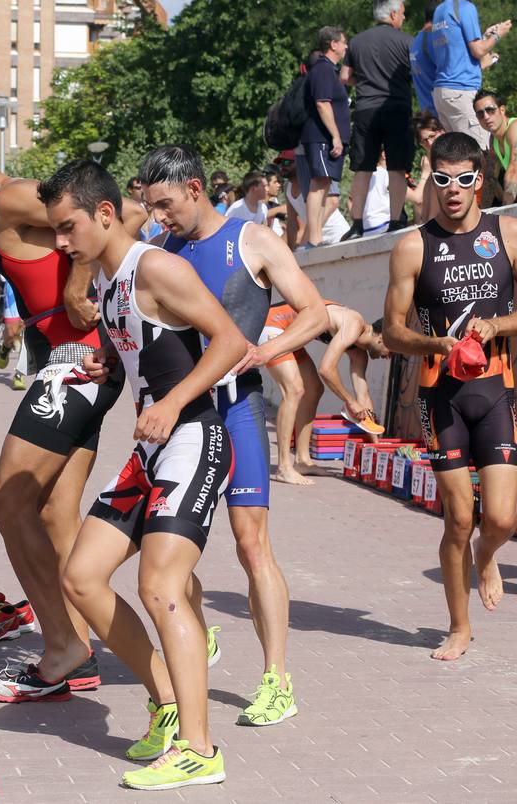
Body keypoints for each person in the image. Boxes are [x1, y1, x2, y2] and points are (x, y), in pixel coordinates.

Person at [0, 137, 144, 701]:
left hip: (77, 362)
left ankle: (63, 644)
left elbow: (124, 211)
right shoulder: (8, 210)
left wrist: (74, 285)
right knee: (53, 515)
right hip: (76, 362)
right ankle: (80, 652)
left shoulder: (14, 197)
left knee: (6, 498)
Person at [43, 160, 242, 791]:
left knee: (162, 588)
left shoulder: (156, 266)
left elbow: (231, 342)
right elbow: (145, 349)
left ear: (104, 215)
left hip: (194, 437)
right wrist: (105, 369)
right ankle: (164, 700)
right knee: (80, 576)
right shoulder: (107, 285)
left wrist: (172, 401)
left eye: (68, 227)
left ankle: (199, 748)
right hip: (150, 450)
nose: (60, 243)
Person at [148, 143, 328, 727]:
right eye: (152, 208)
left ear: (196, 189)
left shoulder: (251, 239)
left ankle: (277, 678)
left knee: (253, 547)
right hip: (182, 417)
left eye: (167, 205)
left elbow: (314, 313)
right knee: (166, 551)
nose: (160, 218)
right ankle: (200, 633)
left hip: (237, 411)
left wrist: (263, 352)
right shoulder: (162, 250)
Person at [382, 131, 517, 661]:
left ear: (480, 180)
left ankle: (488, 555)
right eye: (441, 179)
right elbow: (390, 331)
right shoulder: (413, 245)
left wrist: (496, 326)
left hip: (494, 389)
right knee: (458, 518)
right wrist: (435, 341)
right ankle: (458, 626)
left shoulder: (511, 233)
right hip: (440, 396)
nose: (452, 190)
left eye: (463, 179)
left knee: (499, 519)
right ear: (431, 179)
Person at [258, 301, 389, 485]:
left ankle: (302, 460)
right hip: (272, 324)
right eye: (393, 351)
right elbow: (326, 369)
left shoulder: (359, 354)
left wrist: (377, 448)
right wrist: (350, 401)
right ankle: (283, 467)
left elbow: (363, 396)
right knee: (294, 390)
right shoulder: (354, 323)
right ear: (382, 337)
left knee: (314, 389)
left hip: (290, 334)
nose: (389, 357)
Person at [345, 0, 414, 234]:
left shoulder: (356, 41)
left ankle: (356, 224)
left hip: (365, 109)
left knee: (363, 168)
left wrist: (365, 82)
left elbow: (345, 76)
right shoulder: (407, 42)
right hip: (396, 107)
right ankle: (395, 220)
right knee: (397, 167)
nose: (403, 18)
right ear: (393, 13)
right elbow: (416, 73)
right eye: (403, 13)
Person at [429, 0, 510, 148]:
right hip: (462, 90)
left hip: (442, 94)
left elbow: (455, 49)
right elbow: (478, 50)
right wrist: (499, 35)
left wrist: (484, 37)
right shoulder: (465, 7)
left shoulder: (439, 10)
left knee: (458, 156)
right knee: (480, 152)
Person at [301, 28, 352, 246]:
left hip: (326, 138)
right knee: (319, 183)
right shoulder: (322, 69)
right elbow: (322, 103)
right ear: (333, 44)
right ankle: (314, 238)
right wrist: (335, 137)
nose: (346, 46)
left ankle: (315, 237)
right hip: (321, 137)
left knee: (324, 185)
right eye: (343, 43)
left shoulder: (330, 70)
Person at [405, 112, 444, 224]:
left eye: (432, 136)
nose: (430, 143)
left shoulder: (456, 153)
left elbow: (419, 199)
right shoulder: (427, 163)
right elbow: (420, 202)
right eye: (424, 141)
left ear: (441, 131)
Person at [410, 0, 444, 118]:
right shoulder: (433, 39)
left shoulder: (415, 41)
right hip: (440, 114)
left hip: (427, 112)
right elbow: (451, 73)